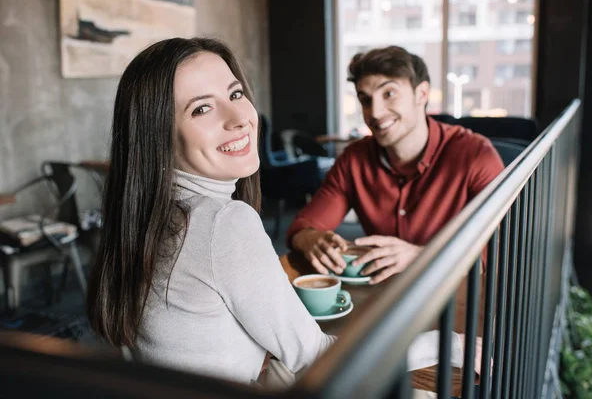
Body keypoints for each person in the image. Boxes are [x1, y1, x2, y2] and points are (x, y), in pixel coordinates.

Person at [86, 37, 334, 385]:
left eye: (235, 94)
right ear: (159, 136)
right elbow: (318, 357)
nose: (239, 119)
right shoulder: (223, 222)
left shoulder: (144, 216)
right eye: (201, 108)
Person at [287, 46, 504, 284]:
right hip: (384, 297)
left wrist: (419, 256)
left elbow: (496, 254)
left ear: (421, 94)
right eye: (365, 100)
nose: (375, 113)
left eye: (389, 94)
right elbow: (304, 226)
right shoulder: (354, 160)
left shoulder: (476, 155)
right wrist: (309, 238)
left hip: (455, 295)